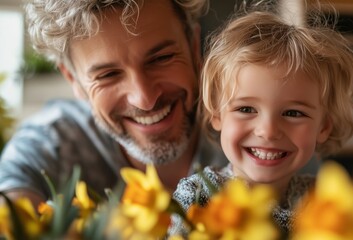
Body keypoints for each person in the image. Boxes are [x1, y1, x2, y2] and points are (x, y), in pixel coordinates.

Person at [0, 0, 230, 206]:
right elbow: (12, 196)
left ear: (194, 48)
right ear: (74, 81)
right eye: (108, 75)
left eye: (161, 58)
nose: (145, 99)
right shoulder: (54, 142)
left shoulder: (251, 128)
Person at [170, 7, 353, 235]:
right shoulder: (198, 196)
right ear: (216, 114)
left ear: (323, 126)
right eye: (246, 109)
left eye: (293, 113)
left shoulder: (323, 202)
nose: (268, 131)